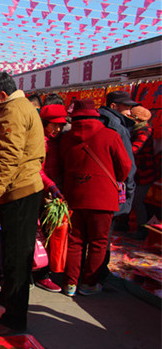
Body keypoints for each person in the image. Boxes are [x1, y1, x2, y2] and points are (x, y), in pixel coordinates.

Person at [0, 72, 45, 336]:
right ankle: (9, 301)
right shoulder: (17, 107)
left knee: (17, 257)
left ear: (2, 95)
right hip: (17, 190)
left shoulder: (13, 111)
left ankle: (14, 320)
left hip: (19, 191)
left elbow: (8, 157)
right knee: (12, 253)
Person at [59, 99, 131, 296]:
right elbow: (125, 166)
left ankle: (70, 283)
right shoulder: (110, 135)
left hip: (74, 193)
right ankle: (90, 283)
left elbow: (62, 164)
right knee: (98, 242)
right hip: (103, 196)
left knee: (74, 241)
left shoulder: (66, 138)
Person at [98, 90, 137, 280]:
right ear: (113, 106)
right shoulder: (117, 127)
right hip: (109, 188)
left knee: (83, 237)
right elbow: (127, 164)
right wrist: (128, 193)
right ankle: (98, 275)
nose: (129, 112)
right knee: (103, 237)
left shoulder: (94, 121)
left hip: (87, 187)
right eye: (126, 107)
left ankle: (79, 275)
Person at [34, 103, 68, 293]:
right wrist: (51, 186)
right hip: (44, 192)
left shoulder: (61, 140)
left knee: (57, 235)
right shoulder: (40, 141)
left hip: (57, 193)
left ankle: (54, 270)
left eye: (61, 125)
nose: (57, 129)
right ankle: (42, 274)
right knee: (43, 235)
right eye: (53, 125)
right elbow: (37, 168)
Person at [128, 105, 155, 240]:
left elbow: (134, 149)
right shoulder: (137, 130)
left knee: (137, 201)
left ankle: (142, 229)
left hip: (144, 172)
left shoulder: (144, 132)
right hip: (138, 172)